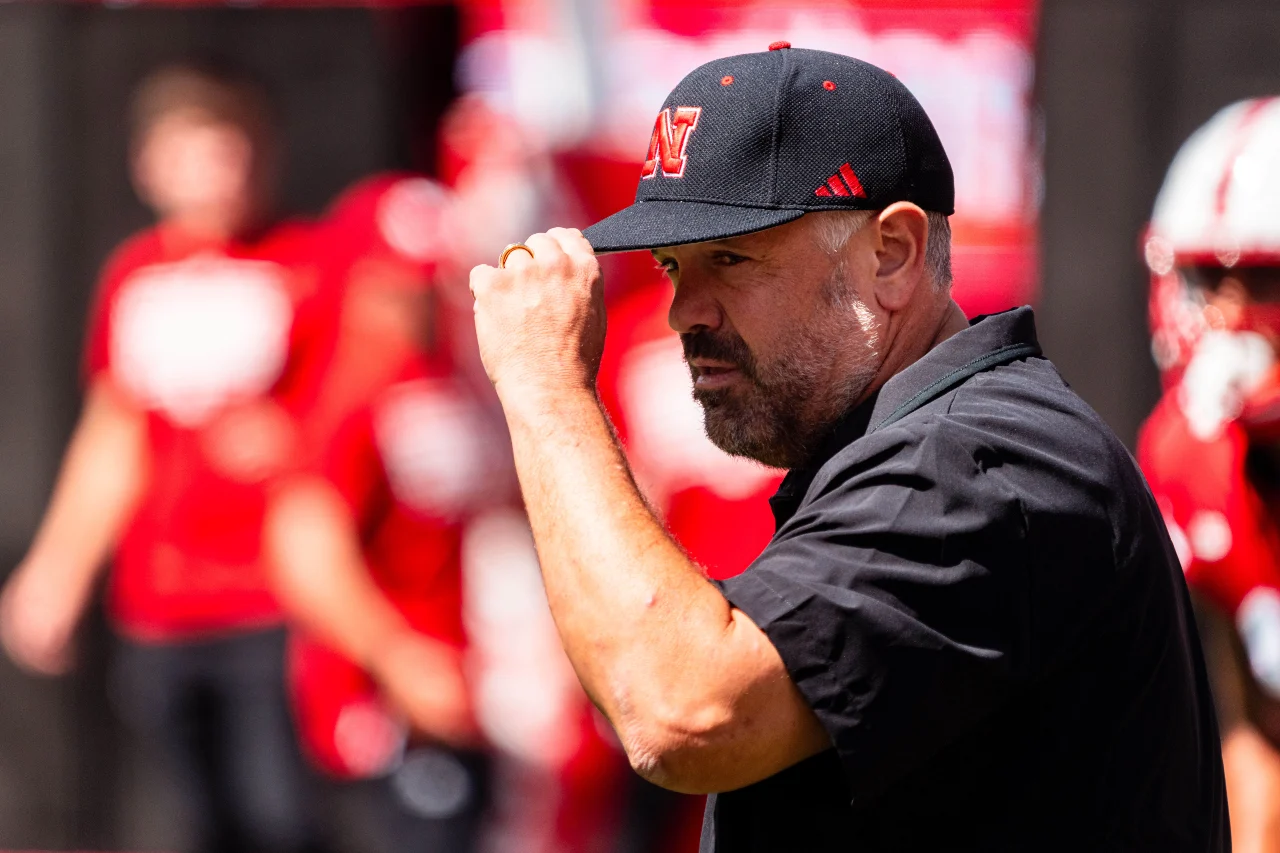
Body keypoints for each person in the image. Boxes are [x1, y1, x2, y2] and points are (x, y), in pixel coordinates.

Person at [468, 44, 1229, 851]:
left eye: (730, 257)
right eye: (670, 265)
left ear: (892, 254)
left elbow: (680, 710)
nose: (683, 311)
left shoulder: (979, 462)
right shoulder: (927, 444)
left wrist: (546, 382)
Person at [0, 63, 328, 853]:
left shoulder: (308, 264)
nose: (215, 174)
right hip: (161, 601)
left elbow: (361, 415)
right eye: (191, 153)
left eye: (230, 151)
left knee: (279, 813)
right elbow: (112, 436)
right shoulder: (133, 278)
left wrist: (297, 446)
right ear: (148, 165)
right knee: (195, 816)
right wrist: (57, 571)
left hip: (274, 597)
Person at [265, 173, 494, 853]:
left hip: (477, 686)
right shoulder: (343, 389)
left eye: (430, 281)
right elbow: (304, 549)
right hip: (382, 705)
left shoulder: (450, 377)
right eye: (398, 282)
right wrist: (399, 660)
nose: (418, 301)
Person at [1138, 97, 1280, 853]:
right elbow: (1257, 730)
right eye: (1206, 280)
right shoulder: (1193, 454)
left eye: (1262, 284)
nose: (1225, 319)